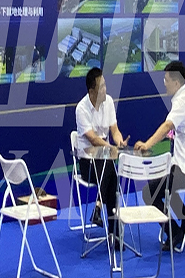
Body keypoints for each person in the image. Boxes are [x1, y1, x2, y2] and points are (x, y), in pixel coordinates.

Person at [135, 61, 185, 252]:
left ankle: (173, 232)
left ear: (176, 82)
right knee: (160, 184)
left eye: (166, 79)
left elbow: (167, 126)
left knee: (149, 193)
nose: (164, 83)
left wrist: (147, 144)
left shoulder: (182, 101)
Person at [75, 67, 126, 240]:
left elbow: (115, 130)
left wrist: (119, 142)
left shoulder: (109, 101)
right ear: (91, 91)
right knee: (110, 169)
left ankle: (98, 209)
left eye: (105, 84)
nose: (105, 89)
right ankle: (114, 232)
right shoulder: (81, 109)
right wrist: (110, 148)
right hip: (87, 162)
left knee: (110, 171)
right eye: (101, 87)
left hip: (104, 159)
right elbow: (93, 139)